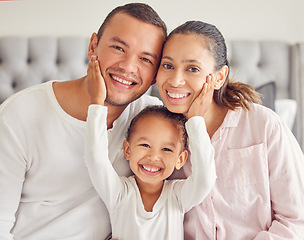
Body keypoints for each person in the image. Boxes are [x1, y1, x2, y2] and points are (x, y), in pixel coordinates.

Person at [0, 3, 167, 239]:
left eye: (146, 59)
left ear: (155, 76)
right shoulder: (20, 113)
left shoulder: (154, 122)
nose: (129, 67)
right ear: (93, 46)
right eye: (119, 48)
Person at [156, 21, 304, 239]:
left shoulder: (263, 125)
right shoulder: (155, 133)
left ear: (219, 77)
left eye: (193, 68)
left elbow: (296, 220)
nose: (175, 80)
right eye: (167, 65)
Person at [84, 66, 216, 239]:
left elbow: (205, 179)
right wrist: (97, 103)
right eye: (145, 145)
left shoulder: (176, 196)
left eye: (167, 149)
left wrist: (196, 120)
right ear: (127, 150)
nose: (153, 157)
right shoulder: (119, 193)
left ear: (181, 159)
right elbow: (96, 159)